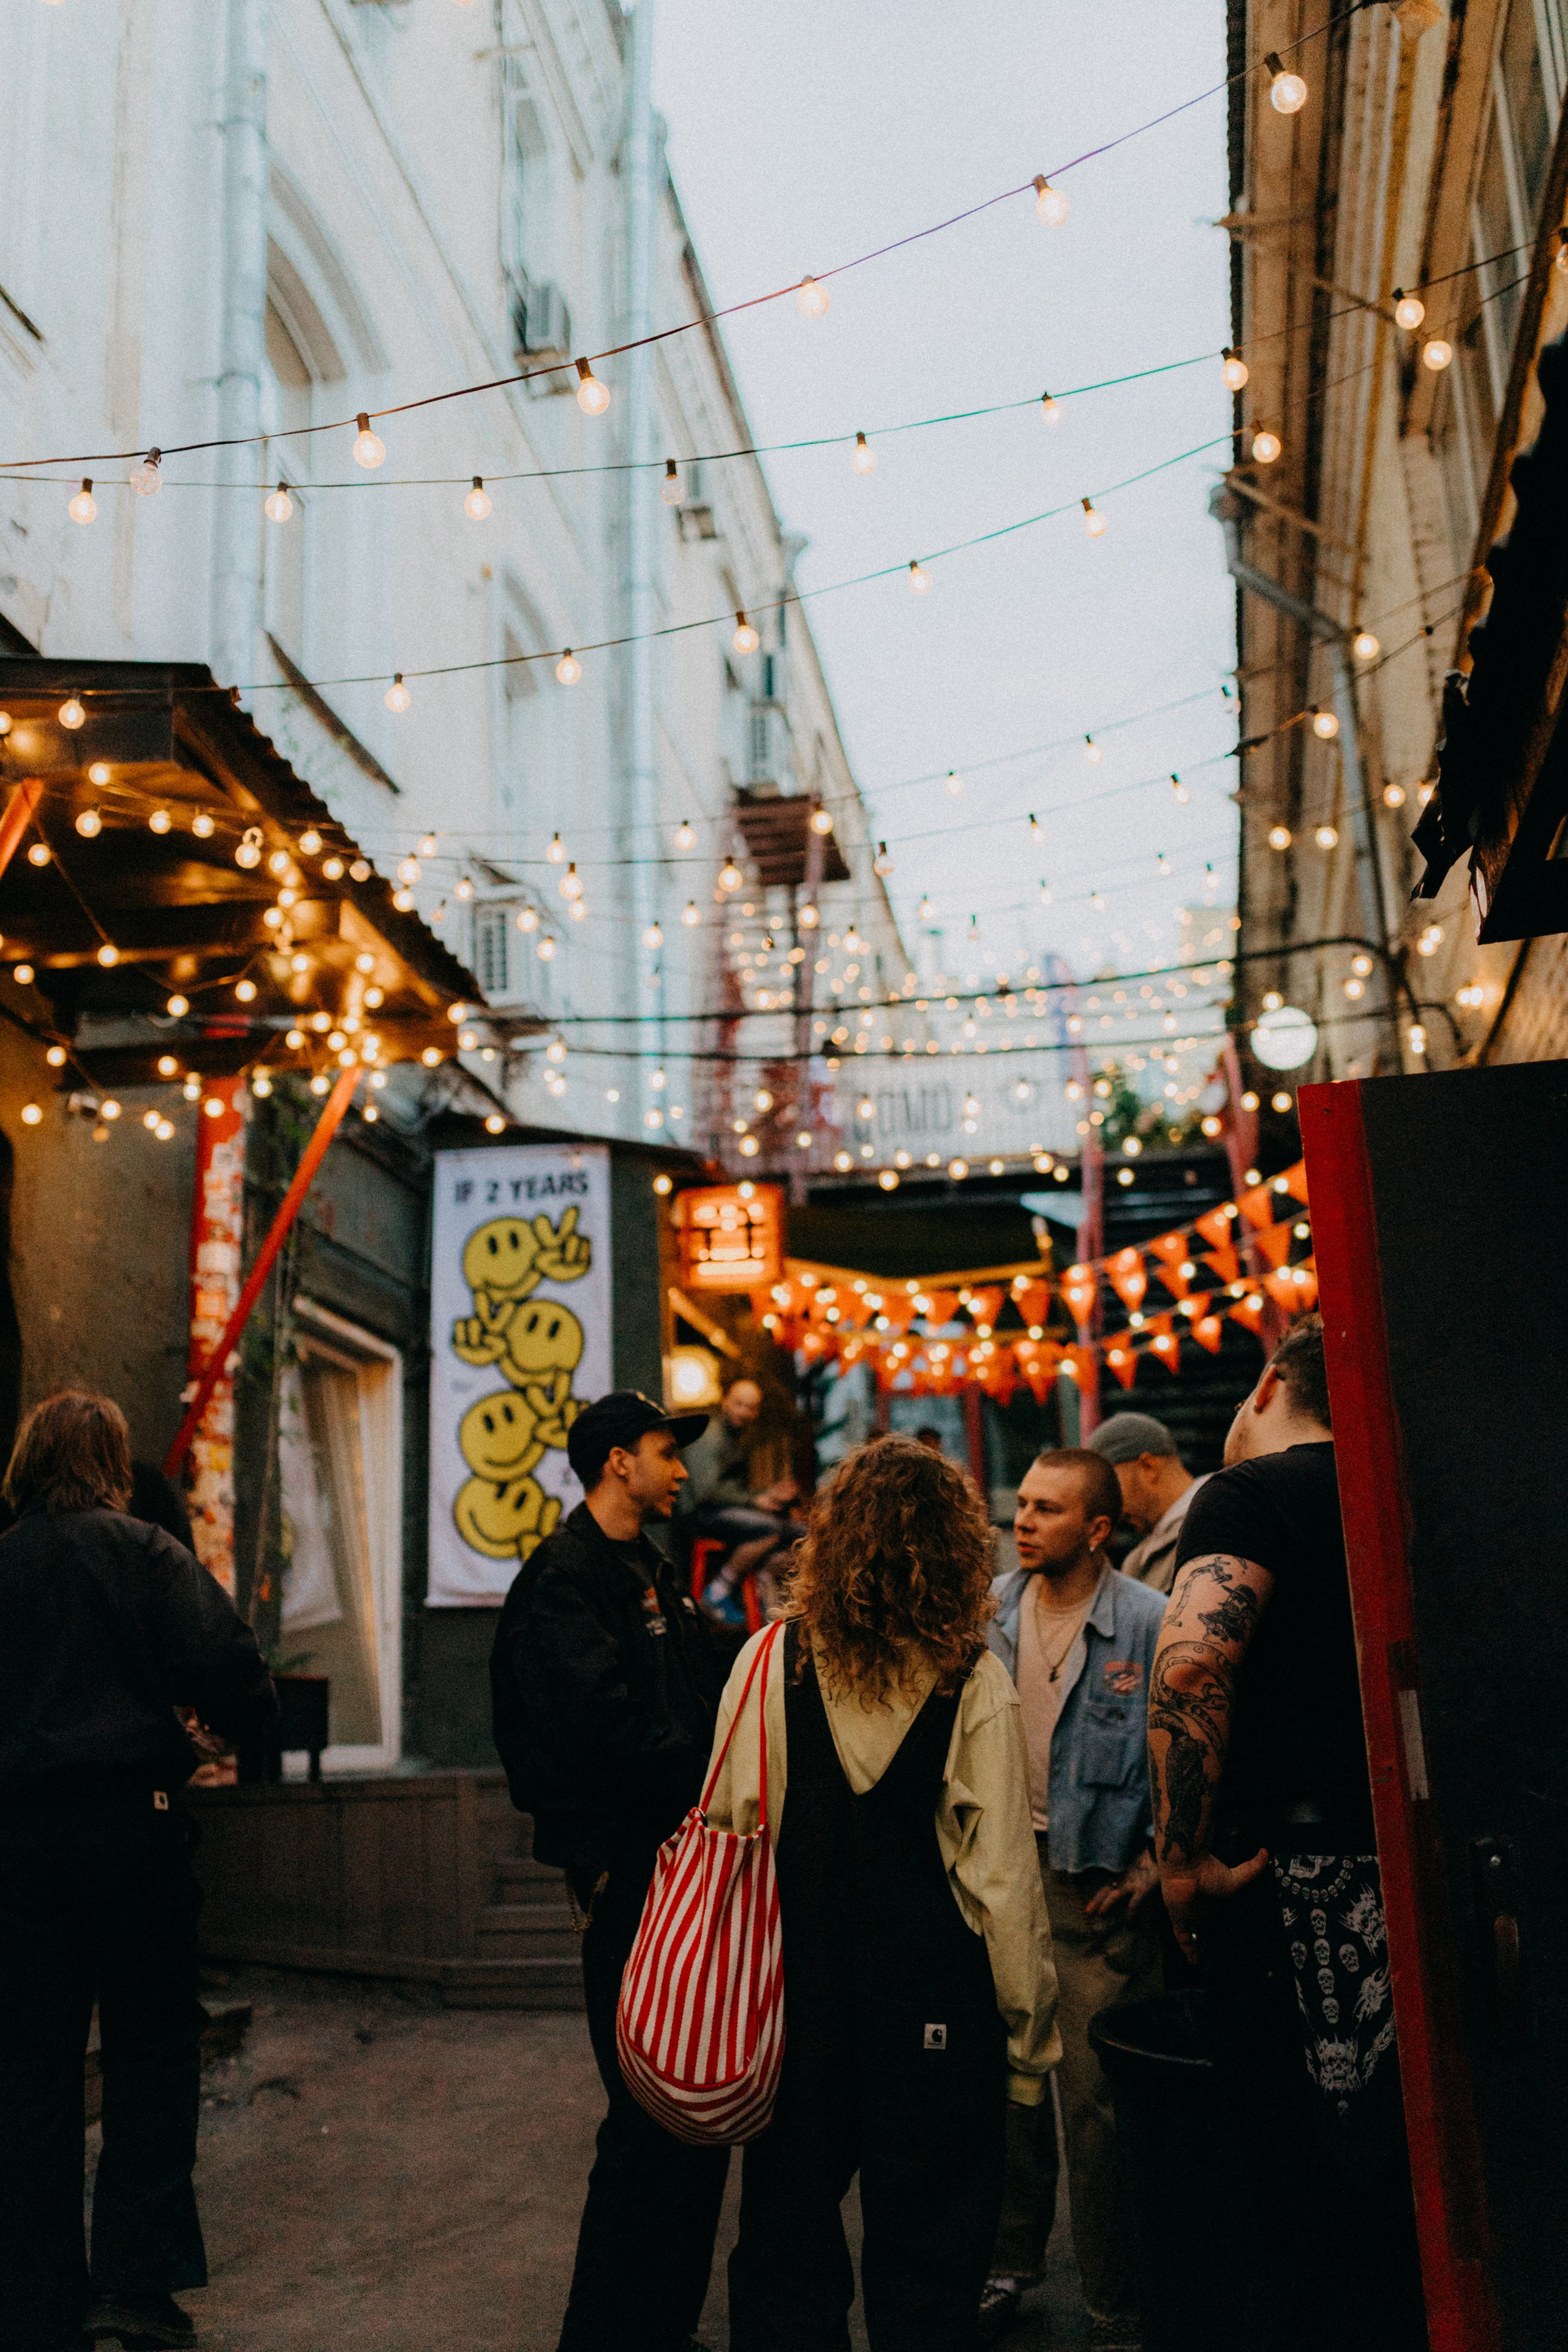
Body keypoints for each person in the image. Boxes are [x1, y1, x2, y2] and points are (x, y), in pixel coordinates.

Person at [705, 1434, 1060, 2352]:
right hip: (937, 2014)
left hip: (794, 2002)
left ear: (832, 1538)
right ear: (955, 1549)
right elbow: (1006, 1890)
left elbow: (729, 1825)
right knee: (933, 2263)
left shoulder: (765, 1662)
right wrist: (1026, 2049)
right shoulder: (971, 1679)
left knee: (785, 2249)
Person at [1148, 1316, 1427, 2350]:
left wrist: (1180, 1864)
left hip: (1286, 1882)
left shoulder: (1249, 1493)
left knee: (1299, 2186)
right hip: (1408, 1864)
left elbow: (1188, 1667)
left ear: (1266, 1386)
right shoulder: (1396, 1483)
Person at [0, 1389, 276, 2352]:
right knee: (151, 2054)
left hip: (21, 1842)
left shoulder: (4, 1563)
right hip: (133, 1830)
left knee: (29, 2073)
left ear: (27, 1463)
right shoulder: (145, 1551)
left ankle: (32, 2306)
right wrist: (196, 1731)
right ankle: (132, 2288)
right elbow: (236, 1668)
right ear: (114, 1463)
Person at [489, 1390, 737, 2352]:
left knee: (686, 2119)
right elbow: (600, 1726)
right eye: (665, 1450)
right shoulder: (564, 1578)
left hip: (678, 1862)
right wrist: (714, 1771)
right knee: (645, 2118)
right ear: (615, 1462)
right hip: (627, 1874)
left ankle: (660, 2330)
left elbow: (699, 1687)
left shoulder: (648, 1567)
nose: (681, 1468)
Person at [979, 1448, 1168, 2352]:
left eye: (1047, 1509)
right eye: (1021, 1504)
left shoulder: (1150, 1622)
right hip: (1003, 1879)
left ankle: (1114, 2304)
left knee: (1097, 2113)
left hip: (1095, 1892)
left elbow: (1191, 1756)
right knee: (1009, 2095)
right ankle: (1007, 2266)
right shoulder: (990, 1617)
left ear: (1097, 1528)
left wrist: (1154, 1868)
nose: (1023, 1521)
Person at [1087, 1411, 1207, 1596]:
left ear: (1148, 1466)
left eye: (1110, 1486)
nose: (1108, 1505)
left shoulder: (1214, 1525)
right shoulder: (1137, 1561)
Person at [677, 1376, 796, 1517]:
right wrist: (754, 1500)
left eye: (751, 1408)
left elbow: (731, 1489)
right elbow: (707, 1492)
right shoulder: (710, 1436)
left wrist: (768, 1494)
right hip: (699, 1516)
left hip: (717, 1511)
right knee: (778, 1527)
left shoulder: (736, 1438)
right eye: (739, 1404)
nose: (743, 1412)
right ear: (725, 1402)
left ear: (757, 1413)